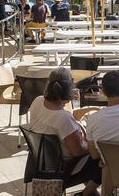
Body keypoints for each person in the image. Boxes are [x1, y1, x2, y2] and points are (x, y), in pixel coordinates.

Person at [28, 67, 100, 195]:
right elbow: (78, 151)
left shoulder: (37, 101)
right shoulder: (63, 118)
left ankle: (90, 193)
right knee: (103, 160)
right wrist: (92, 142)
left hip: (40, 164)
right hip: (64, 169)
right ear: (69, 89)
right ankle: (85, 194)